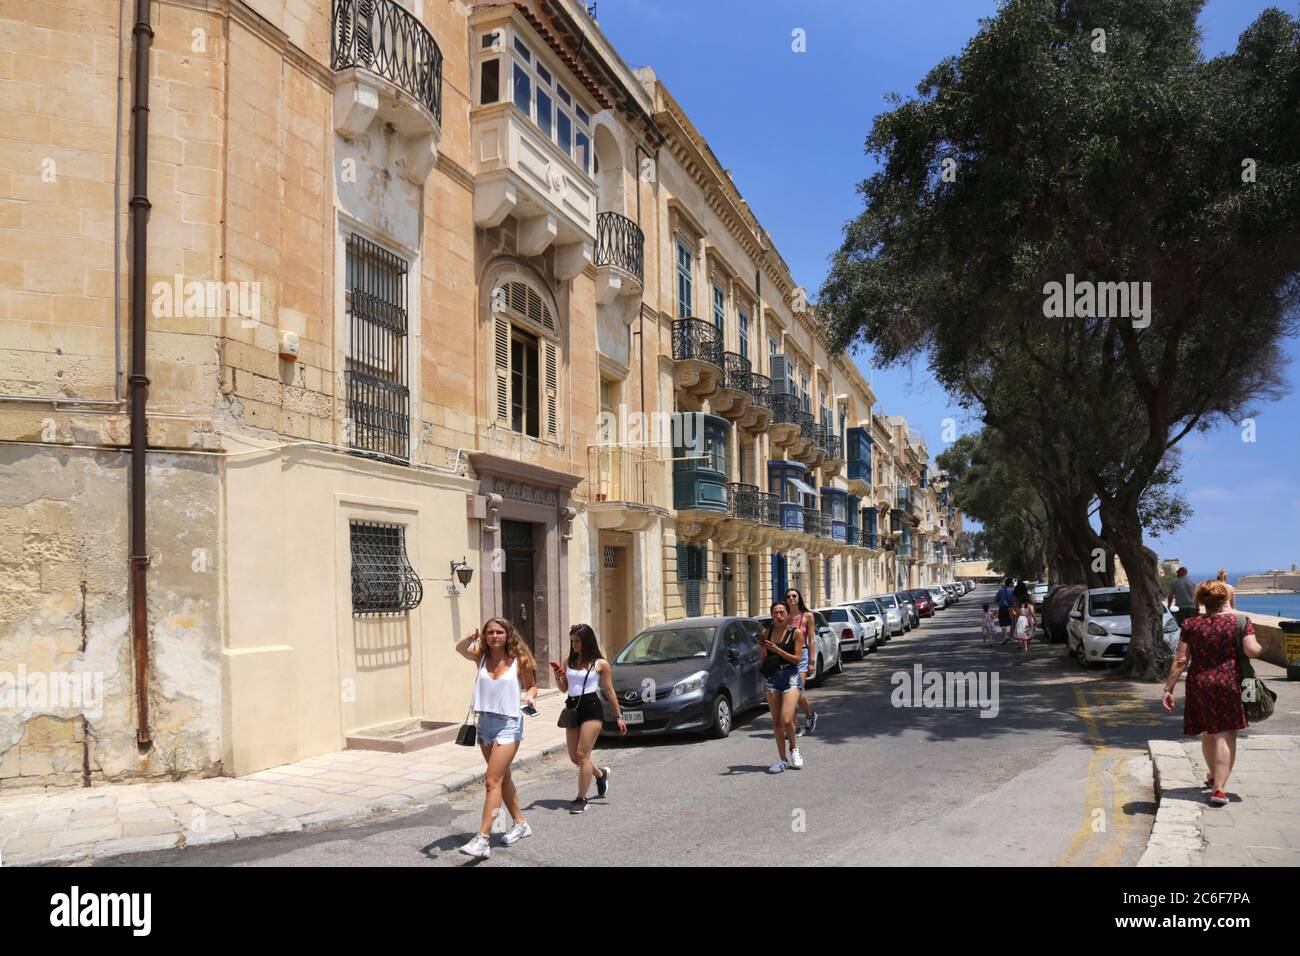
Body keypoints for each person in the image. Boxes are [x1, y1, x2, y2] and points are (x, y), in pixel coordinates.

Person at [1161, 580, 1262, 807]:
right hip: (1229, 683)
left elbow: (1180, 660)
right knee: (1225, 734)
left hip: (1199, 684)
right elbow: (1253, 650)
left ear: (1202, 601)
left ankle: (1213, 773)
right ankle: (1218, 789)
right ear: (1225, 600)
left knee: (1209, 731)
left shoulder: (1191, 624)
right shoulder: (1240, 622)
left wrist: (1168, 689)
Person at [454, 618, 538, 860]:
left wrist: (530, 697)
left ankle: (482, 839)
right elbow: (459, 649)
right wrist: (469, 638)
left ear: (507, 634)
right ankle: (521, 824)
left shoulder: (518, 660)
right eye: (489, 632)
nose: (494, 636)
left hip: (509, 724)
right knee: (503, 777)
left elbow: (532, 686)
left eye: (499, 632)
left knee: (492, 781)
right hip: (485, 725)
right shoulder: (480, 657)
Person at [551, 623, 626, 814]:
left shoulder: (601, 664)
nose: (574, 645)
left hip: (592, 708)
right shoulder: (569, 660)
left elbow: (609, 691)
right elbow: (564, 689)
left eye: (577, 641)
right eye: (572, 641)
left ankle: (581, 799)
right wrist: (558, 677)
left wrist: (619, 716)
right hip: (573, 708)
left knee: (583, 755)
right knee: (574, 757)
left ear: (587, 641)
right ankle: (601, 774)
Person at [760, 601, 805, 773]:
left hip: (791, 677)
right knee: (777, 721)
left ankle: (794, 748)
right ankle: (782, 760)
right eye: (775, 613)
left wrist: (777, 650)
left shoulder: (796, 633)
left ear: (787, 614)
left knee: (787, 719)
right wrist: (762, 647)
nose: (778, 616)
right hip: (773, 679)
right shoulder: (767, 632)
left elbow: (797, 659)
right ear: (771, 615)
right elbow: (763, 660)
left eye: (781, 613)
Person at [784, 588, 819, 735]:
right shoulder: (783, 616)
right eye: (789, 597)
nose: (791, 598)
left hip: (803, 655)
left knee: (796, 691)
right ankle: (795, 726)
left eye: (794, 596)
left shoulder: (807, 616)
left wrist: (812, 661)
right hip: (787, 655)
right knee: (788, 691)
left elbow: (811, 639)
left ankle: (810, 715)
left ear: (799, 598)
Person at [995, 577, 1015, 643]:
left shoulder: (1000, 591)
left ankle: (1005, 636)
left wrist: (1002, 600)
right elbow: (1014, 600)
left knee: (1003, 623)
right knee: (1012, 623)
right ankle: (1012, 637)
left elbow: (996, 599)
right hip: (1011, 608)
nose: (1013, 584)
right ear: (1010, 583)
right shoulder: (1013, 590)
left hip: (1002, 608)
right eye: (1012, 583)